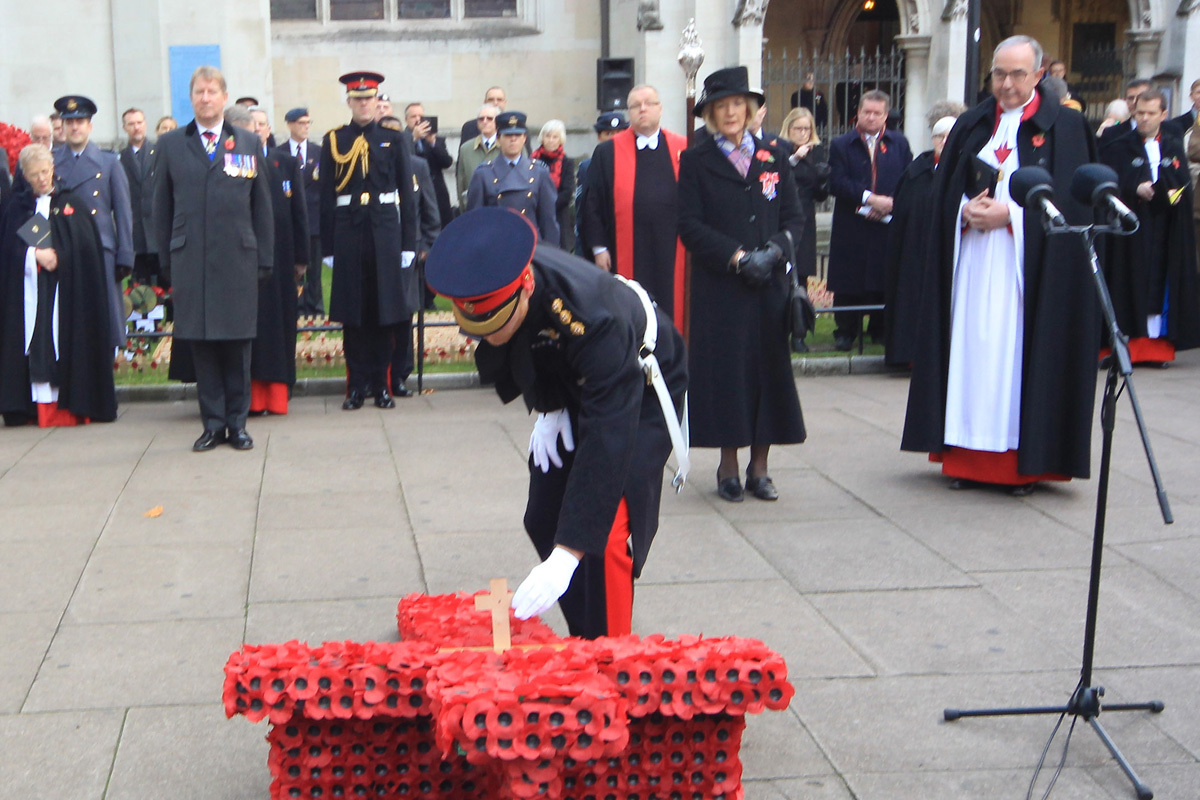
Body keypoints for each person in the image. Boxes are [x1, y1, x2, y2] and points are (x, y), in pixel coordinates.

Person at [424, 206, 687, 640]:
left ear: (525, 290)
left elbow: (607, 438)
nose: (488, 337)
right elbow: (528, 347)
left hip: (639, 382)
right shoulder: (507, 270)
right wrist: (549, 408)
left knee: (604, 532)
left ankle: (610, 654)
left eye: (494, 324)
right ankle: (585, 633)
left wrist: (567, 554)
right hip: (576, 374)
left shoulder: (594, 318)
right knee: (543, 515)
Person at [901, 35, 1100, 494]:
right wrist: (962, 213)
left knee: (1015, 360)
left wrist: (1012, 216)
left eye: (1017, 74)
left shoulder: (1067, 129)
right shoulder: (972, 126)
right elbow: (943, 193)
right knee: (970, 355)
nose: (1006, 84)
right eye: (998, 74)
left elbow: (1075, 207)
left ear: (1038, 74)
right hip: (973, 261)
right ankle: (966, 458)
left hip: (1025, 273)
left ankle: (1019, 465)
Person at [677, 65, 807, 503]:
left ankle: (761, 467)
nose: (731, 112)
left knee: (768, 372)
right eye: (721, 106)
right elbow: (689, 226)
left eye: (737, 104)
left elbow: (793, 217)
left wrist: (772, 252)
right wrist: (736, 257)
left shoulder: (774, 153)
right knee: (727, 375)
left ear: (750, 108)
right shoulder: (695, 160)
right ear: (710, 113)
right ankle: (728, 465)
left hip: (768, 283)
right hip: (722, 288)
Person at [153, 65, 274, 451]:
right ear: (191, 98)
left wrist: (263, 257)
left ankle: (237, 424)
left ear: (224, 97)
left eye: (212, 91)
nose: (205, 98)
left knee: (237, 346)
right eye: (199, 92)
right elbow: (160, 208)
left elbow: (262, 206)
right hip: (191, 261)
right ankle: (212, 424)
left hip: (238, 259)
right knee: (202, 345)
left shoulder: (247, 143)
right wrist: (166, 258)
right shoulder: (172, 145)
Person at [319, 70, 418, 410]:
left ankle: (383, 384)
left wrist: (408, 244)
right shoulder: (334, 140)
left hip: (386, 233)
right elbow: (325, 197)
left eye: (369, 98)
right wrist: (328, 247)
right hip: (349, 233)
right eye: (357, 98)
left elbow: (407, 193)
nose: (364, 104)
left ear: (378, 101)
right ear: (349, 101)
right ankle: (356, 386)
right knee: (354, 315)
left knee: (384, 313)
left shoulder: (394, 139)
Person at [0, 144, 117, 427]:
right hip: (30, 293)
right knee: (35, 343)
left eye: (45, 171)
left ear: (53, 169)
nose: (42, 178)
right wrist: (34, 256)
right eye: (35, 174)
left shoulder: (70, 202)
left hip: (66, 293)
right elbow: (8, 251)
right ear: (24, 176)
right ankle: (33, 408)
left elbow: (86, 248)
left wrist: (62, 255)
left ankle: (73, 405)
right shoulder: (17, 207)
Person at [1100, 89, 1200, 365]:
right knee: (1124, 283)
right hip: (1127, 232)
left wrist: (1165, 195)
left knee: (1159, 286)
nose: (1143, 118)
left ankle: (1156, 347)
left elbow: (1182, 187)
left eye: (1150, 113)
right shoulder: (1117, 145)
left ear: (1163, 115)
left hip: (1163, 229)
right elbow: (1108, 184)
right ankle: (1121, 346)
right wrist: (1134, 188)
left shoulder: (1172, 144)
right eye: (1139, 113)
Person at [579, 85, 687, 324]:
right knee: (632, 309)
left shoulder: (682, 149)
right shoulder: (608, 152)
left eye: (649, 103)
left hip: (672, 247)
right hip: (624, 249)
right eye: (636, 105)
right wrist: (598, 247)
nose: (643, 109)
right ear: (629, 112)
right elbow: (592, 202)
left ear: (660, 109)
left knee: (673, 309)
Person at [826, 89, 913, 350]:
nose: (871, 117)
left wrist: (891, 203)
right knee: (849, 281)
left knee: (883, 275)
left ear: (886, 116)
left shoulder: (899, 143)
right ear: (858, 113)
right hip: (853, 223)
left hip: (887, 223)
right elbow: (836, 182)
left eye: (877, 113)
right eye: (867, 112)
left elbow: (909, 178)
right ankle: (845, 331)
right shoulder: (841, 144)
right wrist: (869, 198)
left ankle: (880, 328)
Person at [52, 95, 135, 352]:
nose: (75, 127)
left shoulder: (109, 162)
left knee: (104, 321)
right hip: (63, 249)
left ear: (90, 125)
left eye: (80, 121)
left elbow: (122, 211)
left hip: (101, 249)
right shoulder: (51, 162)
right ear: (62, 127)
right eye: (70, 122)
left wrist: (125, 254)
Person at [884, 102, 963, 366]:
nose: (944, 141)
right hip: (916, 253)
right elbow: (904, 210)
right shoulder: (916, 170)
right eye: (939, 136)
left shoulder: (966, 169)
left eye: (950, 136)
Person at [249, 106, 308, 414]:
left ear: (269, 129)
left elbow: (299, 211)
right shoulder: (237, 163)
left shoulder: (285, 162)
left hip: (282, 261)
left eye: (262, 124)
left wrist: (302, 258)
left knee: (280, 328)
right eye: (252, 124)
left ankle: (277, 394)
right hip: (248, 262)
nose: (257, 129)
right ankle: (253, 398)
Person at [380, 114, 440, 398]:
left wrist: (426, 246)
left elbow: (430, 212)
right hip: (379, 250)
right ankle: (377, 374)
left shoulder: (417, 166)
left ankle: (401, 374)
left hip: (409, 252)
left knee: (404, 315)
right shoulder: (374, 165)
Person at [466, 112, 559, 244]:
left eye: (518, 135)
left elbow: (548, 221)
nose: (513, 139)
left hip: (532, 248)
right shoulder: (483, 174)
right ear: (498, 138)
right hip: (496, 247)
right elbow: (475, 222)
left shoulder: (539, 172)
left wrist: (551, 258)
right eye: (508, 135)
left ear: (524, 138)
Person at [780, 106, 829, 351]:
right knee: (781, 274)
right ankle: (779, 332)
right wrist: (795, 158)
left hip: (806, 219)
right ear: (788, 129)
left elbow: (820, 195)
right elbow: (777, 177)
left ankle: (798, 334)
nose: (803, 133)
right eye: (798, 129)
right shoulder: (780, 150)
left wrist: (822, 179)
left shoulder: (816, 152)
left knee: (801, 277)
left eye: (806, 129)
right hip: (784, 218)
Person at [281, 107, 324, 318]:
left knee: (315, 268)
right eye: (301, 123)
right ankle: (296, 307)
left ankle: (316, 308)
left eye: (308, 122)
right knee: (293, 268)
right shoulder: (279, 153)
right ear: (289, 124)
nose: (306, 127)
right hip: (290, 221)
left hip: (314, 219)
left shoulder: (319, 152)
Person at [573, 111, 628, 258]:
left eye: (619, 132)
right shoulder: (587, 167)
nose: (614, 138)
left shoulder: (634, 164)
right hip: (600, 243)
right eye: (608, 133)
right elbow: (582, 211)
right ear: (599, 137)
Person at [119, 108, 163, 289]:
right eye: (131, 124)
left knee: (166, 290)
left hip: (158, 233)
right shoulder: (119, 159)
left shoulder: (160, 153)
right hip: (135, 235)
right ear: (124, 128)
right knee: (139, 292)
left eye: (139, 123)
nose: (136, 128)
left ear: (145, 124)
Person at [404, 102, 454, 228]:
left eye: (420, 116)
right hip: (413, 191)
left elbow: (447, 162)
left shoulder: (436, 139)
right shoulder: (401, 139)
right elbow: (403, 158)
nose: (417, 120)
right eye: (413, 116)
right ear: (406, 119)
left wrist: (433, 143)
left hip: (436, 192)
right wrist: (413, 138)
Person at [532, 119, 575, 250]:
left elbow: (567, 192)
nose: (550, 140)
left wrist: (548, 207)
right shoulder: (532, 160)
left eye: (555, 137)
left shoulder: (566, 162)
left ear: (560, 140)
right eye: (547, 136)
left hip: (558, 215)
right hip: (536, 214)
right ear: (542, 138)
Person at [455, 104, 499, 209]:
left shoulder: (508, 146)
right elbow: (461, 181)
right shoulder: (466, 148)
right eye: (481, 119)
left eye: (489, 118)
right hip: (474, 208)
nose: (485, 121)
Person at [1099, 78, 1152, 150]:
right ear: (1125, 101)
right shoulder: (1111, 134)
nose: (1134, 102)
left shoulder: (1168, 131)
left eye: (1140, 97)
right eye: (1130, 98)